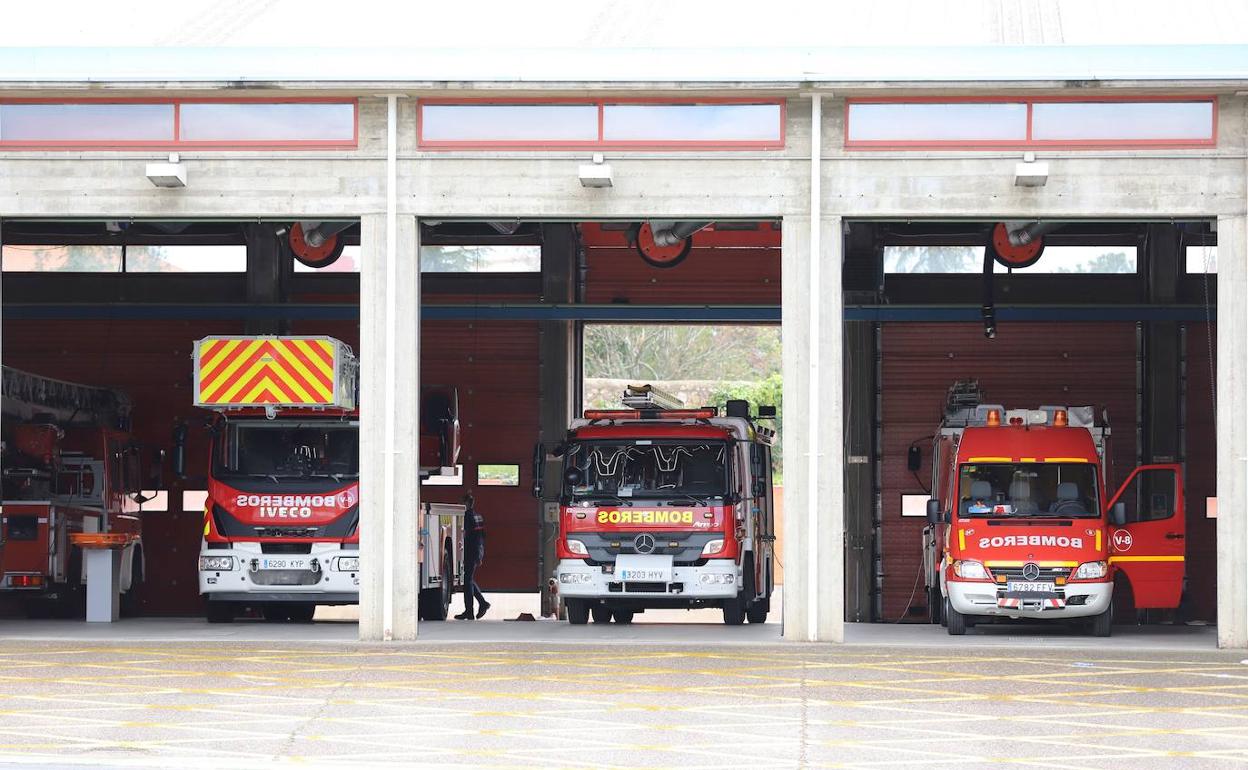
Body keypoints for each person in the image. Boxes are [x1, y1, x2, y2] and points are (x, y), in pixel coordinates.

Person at [455, 491, 490, 620]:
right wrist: (479, 553)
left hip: (470, 551)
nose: (460, 504)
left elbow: (465, 536)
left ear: (467, 503)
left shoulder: (467, 517)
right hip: (478, 549)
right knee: (468, 579)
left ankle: (470, 610)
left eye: (461, 503)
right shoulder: (478, 516)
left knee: (467, 581)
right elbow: (482, 535)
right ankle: (481, 604)